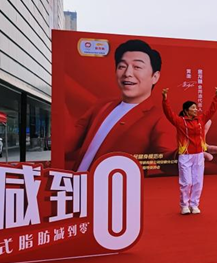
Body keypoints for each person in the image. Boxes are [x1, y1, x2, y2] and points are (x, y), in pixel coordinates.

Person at [67, 40, 176, 172]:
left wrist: (190, 154)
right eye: (122, 66)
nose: (127, 73)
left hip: (113, 183)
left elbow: (167, 158)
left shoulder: (158, 117)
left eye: (137, 67)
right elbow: (69, 141)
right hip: (77, 181)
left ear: (155, 77)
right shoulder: (102, 105)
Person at [162, 86, 217, 215]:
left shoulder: (200, 120)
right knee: (186, 182)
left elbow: (211, 110)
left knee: (198, 181)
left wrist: (216, 97)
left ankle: (194, 204)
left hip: (198, 155)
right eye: (193, 108)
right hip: (185, 155)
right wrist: (165, 99)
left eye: (196, 107)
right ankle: (184, 205)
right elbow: (168, 113)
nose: (195, 110)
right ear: (186, 110)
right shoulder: (179, 121)